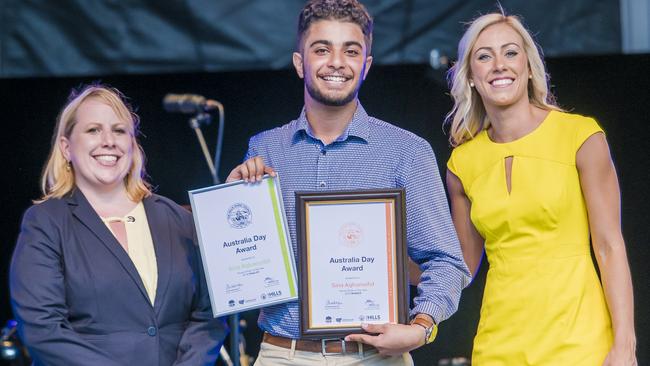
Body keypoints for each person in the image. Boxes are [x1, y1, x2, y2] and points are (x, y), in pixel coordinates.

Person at [226, 0, 470, 364]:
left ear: (366, 66)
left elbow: (446, 261)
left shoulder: (407, 152)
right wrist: (232, 206)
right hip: (282, 353)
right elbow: (243, 271)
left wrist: (421, 326)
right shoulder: (265, 148)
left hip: (375, 355)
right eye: (322, 49)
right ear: (299, 63)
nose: (337, 62)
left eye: (351, 51)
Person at [444, 11, 637, 365]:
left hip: (579, 341)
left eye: (511, 53)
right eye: (484, 56)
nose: (499, 65)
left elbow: (609, 247)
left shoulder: (580, 136)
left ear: (530, 67)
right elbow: (460, 268)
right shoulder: (462, 164)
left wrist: (624, 345)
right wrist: (388, 263)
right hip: (498, 345)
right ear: (471, 76)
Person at [9, 84, 227, 365]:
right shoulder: (46, 223)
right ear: (66, 148)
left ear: (132, 144)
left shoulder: (178, 220)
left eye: (119, 130)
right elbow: (43, 329)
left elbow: (209, 315)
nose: (108, 141)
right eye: (93, 130)